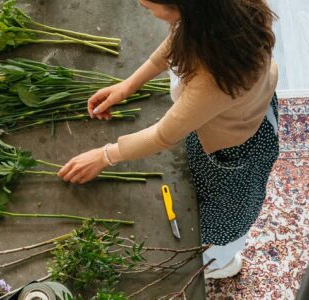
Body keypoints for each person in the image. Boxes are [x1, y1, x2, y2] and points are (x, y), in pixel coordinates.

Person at [57, 0, 279, 279]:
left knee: (221, 222)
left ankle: (222, 262)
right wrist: (127, 86)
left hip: (234, 149)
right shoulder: (223, 13)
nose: (141, 5)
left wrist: (105, 155)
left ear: (183, 8)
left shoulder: (216, 79)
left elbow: (164, 135)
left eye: (149, 6)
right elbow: (175, 43)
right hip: (236, 115)